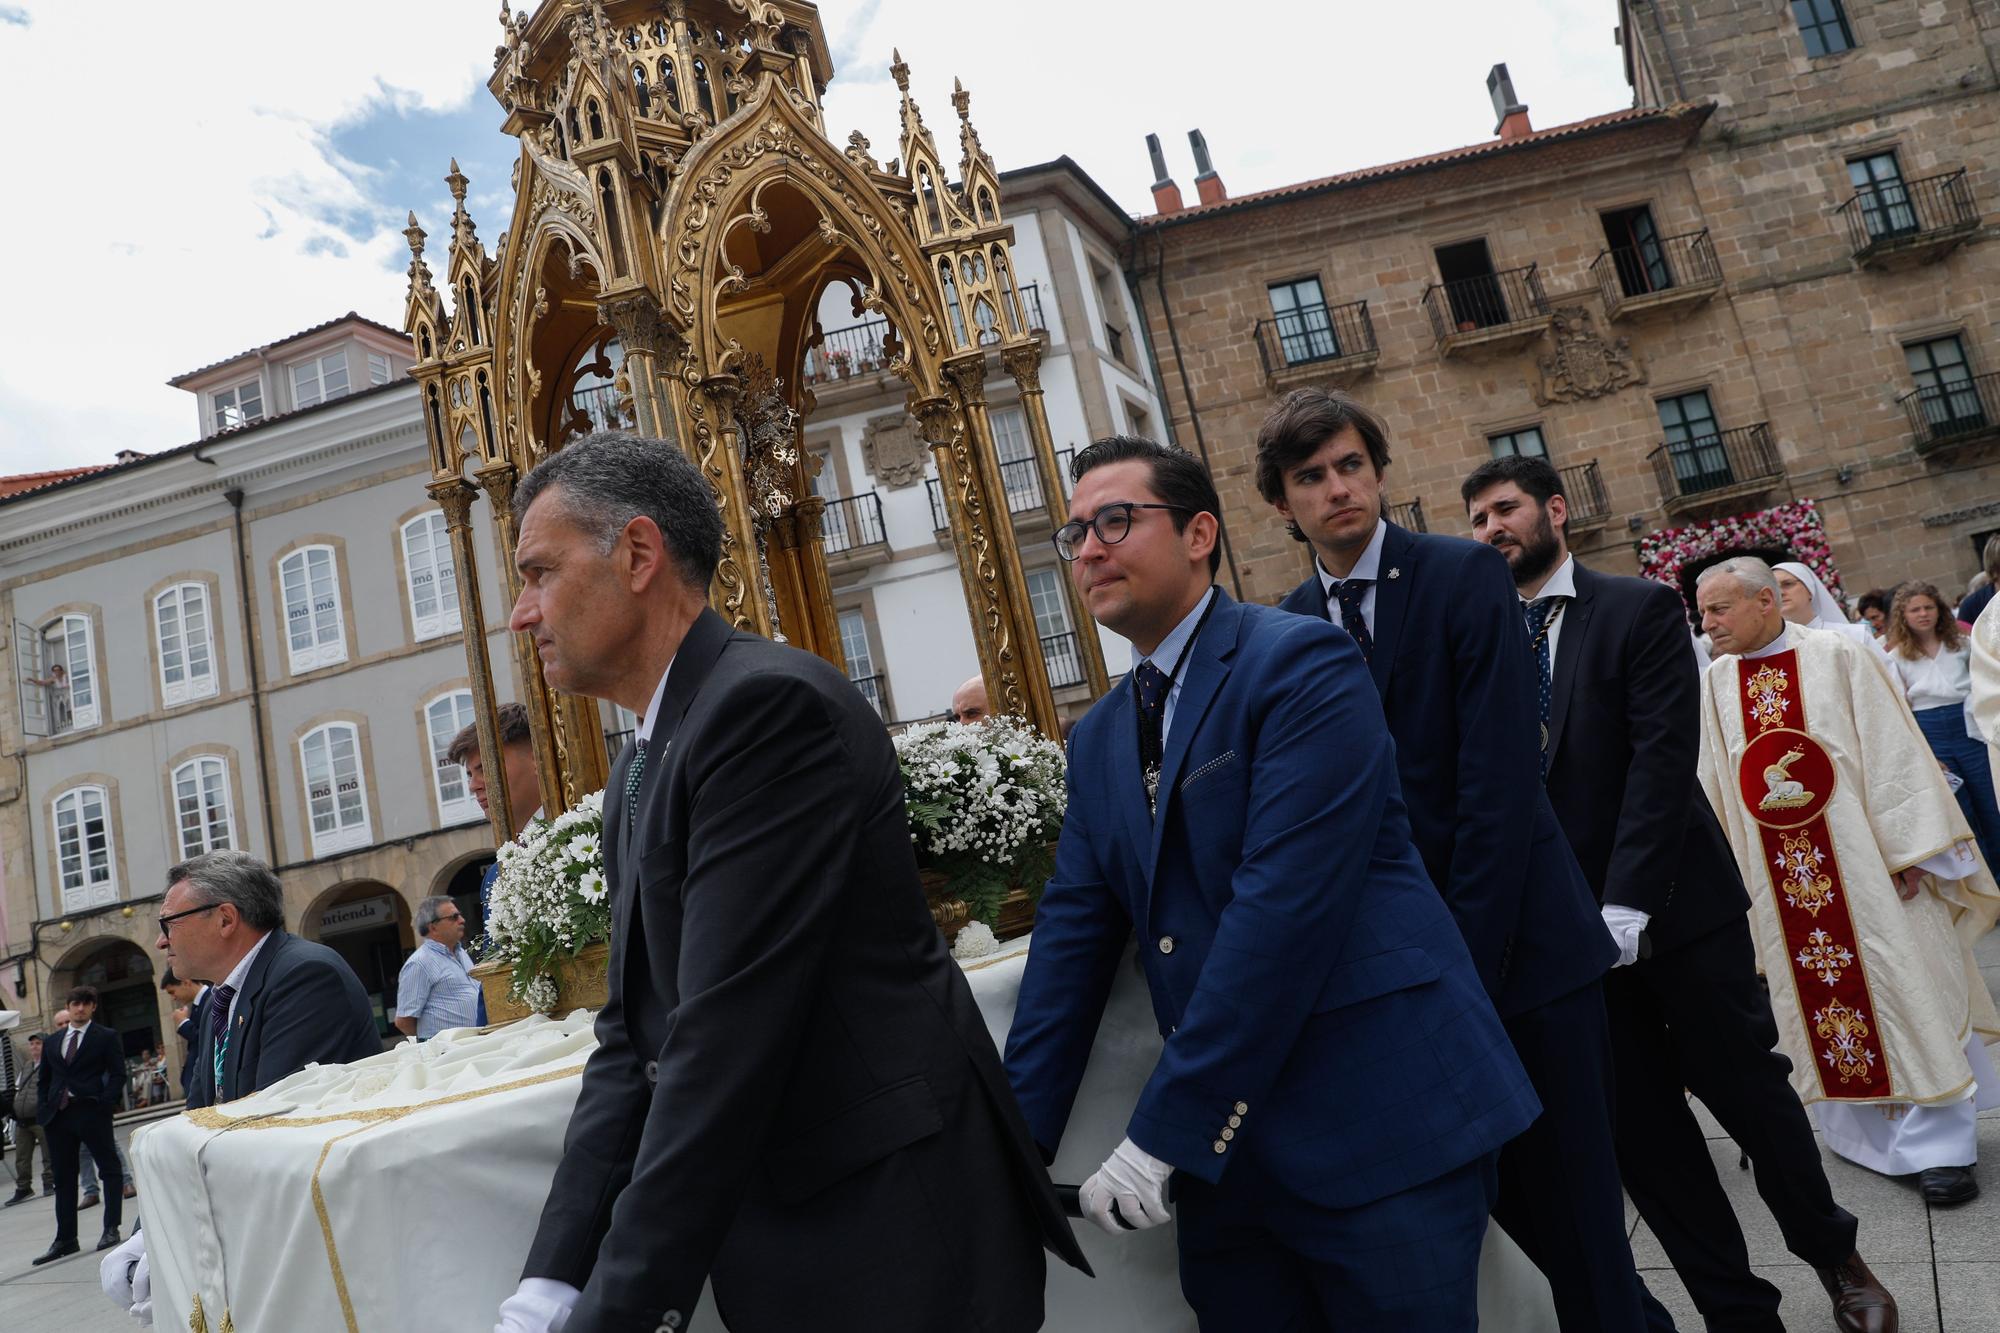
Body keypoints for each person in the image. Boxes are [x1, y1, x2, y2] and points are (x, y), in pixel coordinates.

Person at [494, 432, 1086, 1333]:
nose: (520, 613)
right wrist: (547, 1285)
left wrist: (614, 1312)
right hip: (804, 1237)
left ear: (640, 554)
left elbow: (724, 1034)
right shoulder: (637, 773)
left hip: (890, 1234)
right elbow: (635, 1038)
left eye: (538, 573)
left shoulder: (762, 711)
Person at [1006, 434, 1538, 1329]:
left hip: (1375, 1122)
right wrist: (1011, 1150)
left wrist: (1163, 1133)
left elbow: (1283, 909)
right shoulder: (1097, 736)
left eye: (1114, 520)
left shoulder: (1298, 663)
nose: (1088, 548)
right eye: (1074, 534)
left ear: (1199, 532)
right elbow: (1069, 940)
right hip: (1229, 1172)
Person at [1463, 456, 1896, 1333]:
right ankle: (1738, 1312)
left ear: (1554, 510)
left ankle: (1835, 1253)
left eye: (1504, 509)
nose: (1489, 529)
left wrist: (1627, 903)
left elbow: (1661, 760)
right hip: (1570, 944)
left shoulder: (1636, 607)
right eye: (1475, 519)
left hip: (1678, 911)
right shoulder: (1485, 639)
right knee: (1647, 1139)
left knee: (1752, 1097)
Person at [1259, 390, 1642, 1330]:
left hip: (1526, 951)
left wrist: (1456, 965)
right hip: (1418, 976)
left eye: (1351, 465)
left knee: (1586, 1222)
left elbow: (1501, 789)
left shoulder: (1464, 574)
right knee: (1519, 1221)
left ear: (1379, 472)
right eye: (1310, 476)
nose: (1337, 487)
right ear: (1281, 502)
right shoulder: (1289, 624)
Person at [1698, 559, 2000, 1194]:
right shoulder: (1717, 681)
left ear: (1764, 602)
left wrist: (1910, 852)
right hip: (1781, 881)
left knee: (1907, 984)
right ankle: (1860, 1136)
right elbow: (1719, 785)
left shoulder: (1838, 653)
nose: (1708, 623)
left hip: (1871, 865)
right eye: (1702, 611)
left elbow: (1892, 751)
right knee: (1817, 1005)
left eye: (1719, 610)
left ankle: (1942, 1144)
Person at [1883, 580, 2000, 870]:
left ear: (1940, 610)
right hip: (1931, 730)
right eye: (1915, 609)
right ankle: (1989, 880)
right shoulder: (1896, 657)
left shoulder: (1961, 644)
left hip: (1969, 727)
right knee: (1962, 811)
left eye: (1928, 607)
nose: (1923, 614)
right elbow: (1901, 707)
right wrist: (1927, 753)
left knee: (1991, 803)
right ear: (1903, 615)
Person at [33, 986, 126, 1264]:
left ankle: (111, 1227)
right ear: (68, 1006)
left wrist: (104, 1103)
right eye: (75, 1004)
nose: (80, 1008)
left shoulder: (105, 1037)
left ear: (93, 1007)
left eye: (86, 1004)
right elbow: (44, 1080)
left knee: (109, 1169)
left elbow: (119, 1073)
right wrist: (44, 1108)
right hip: (58, 1117)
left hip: (91, 1110)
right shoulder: (53, 1041)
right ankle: (66, 1238)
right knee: (63, 1177)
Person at [394, 896, 482, 1039]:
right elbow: (404, 1021)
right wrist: (435, 1042)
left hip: (477, 1042)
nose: (462, 920)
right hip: (448, 1052)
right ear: (433, 927)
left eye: (460, 915)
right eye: (454, 917)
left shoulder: (461, 953)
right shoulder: (419, 963)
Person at [1774, 562, 1881, 652]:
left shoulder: (1854, 636)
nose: (1780, 593)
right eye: (1773, 588)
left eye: (1787, 584)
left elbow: (1887, 674)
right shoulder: (1775, 650)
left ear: (1810, 590)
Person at [5, 1033, 53, 1206]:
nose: (34, 1047)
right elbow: (19, 1088)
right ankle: (23, 1187)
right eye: (32, 1044)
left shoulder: (51, 1065)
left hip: (40, 1117)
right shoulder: (27, 1066)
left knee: (49, 1153)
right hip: (23, 1119)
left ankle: (50, 1181)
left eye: (38, 1044)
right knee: (21, 1156)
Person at [160, 968, 206, 1102]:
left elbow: (205, 1040)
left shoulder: (210, 999)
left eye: (172, 992)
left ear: (186, 983)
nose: (173, 997)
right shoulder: (198, 1004)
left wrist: (184, 1023)